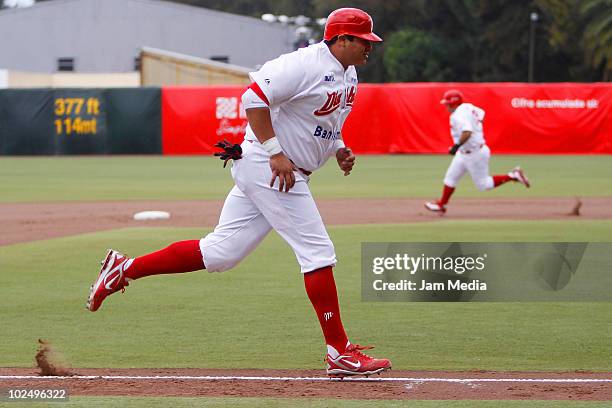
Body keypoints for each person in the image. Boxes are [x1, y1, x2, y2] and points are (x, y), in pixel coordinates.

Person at [86, 7, 391, 378]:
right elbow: (253, 99)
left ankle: (124, 269)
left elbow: (322, 122)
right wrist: (275, 151)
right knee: (317, 253)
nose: (369, 48)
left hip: (282, 169)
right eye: (363, 41)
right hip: (272, 169)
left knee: (221, 253)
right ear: (341, 39)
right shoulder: (302, 64)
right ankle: (339, 351)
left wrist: (338, 148)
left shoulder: (349, 73)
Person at [424, 89, 530, 214]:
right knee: (450, 178)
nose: (446, 105)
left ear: (453, 103)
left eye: (447, 103)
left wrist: (456, 146)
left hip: (474, 153)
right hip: (465, 152)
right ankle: (442, 205)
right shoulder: (467, 107)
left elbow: (467, 131)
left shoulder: (458, 115)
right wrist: (476, 129)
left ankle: (513, 175)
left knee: (483, 185)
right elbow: (481, 114)